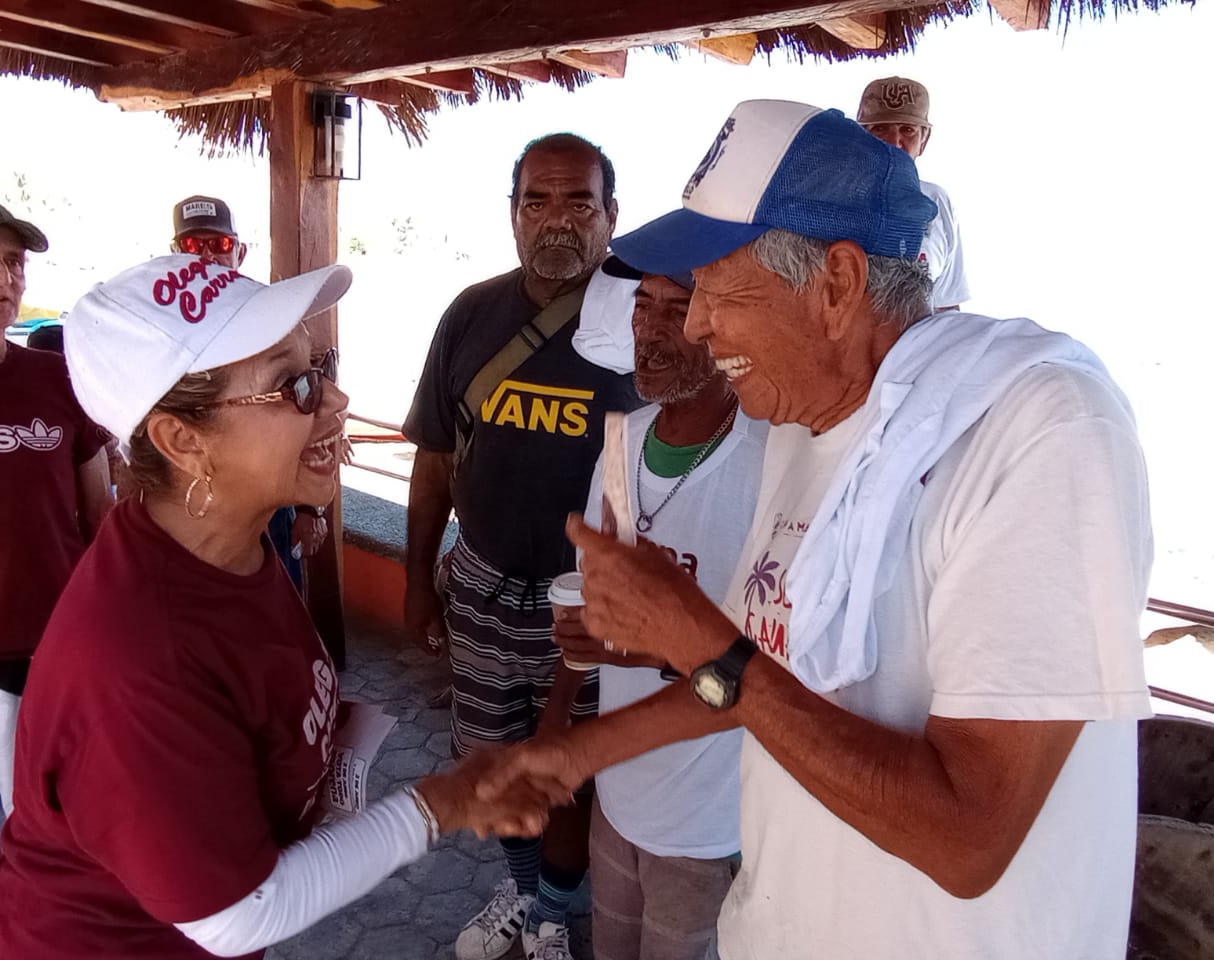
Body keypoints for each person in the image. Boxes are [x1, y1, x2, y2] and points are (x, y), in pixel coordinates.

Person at [479, 100, 1154, 959]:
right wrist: (578, 755)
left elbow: (968, 838)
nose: (692, 324)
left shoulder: (1041, 433)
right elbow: (763, 678)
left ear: (835, 284)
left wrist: (701, 641)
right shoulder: (805, 429)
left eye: (719, 287)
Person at [0, 255, 565, 959]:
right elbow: (237, 914)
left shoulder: (228, 544)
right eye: (295, 385)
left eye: (323, 365)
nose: (336, 401)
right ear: (182, 441)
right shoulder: (138, 657)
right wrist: (444, 801)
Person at [403, 134, 641, 960]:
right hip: (478, 582)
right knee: (492, 753)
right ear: (512, 214)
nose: (558, 220)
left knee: (566, 767)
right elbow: (433, 461)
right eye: (537, 200)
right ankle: (525, 887)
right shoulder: (470, 314)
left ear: (612, 216)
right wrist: (415, 584)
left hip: (583, 599)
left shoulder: (641, 322)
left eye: (580, 201)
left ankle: (551, 914)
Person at [544, 259, 766, 960]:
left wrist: (645, 645)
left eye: (678, 310)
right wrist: (561, 711)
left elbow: (767, 659)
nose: (652, 332)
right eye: (644, 307)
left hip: (707, 817)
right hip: (618, 791)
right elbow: (592, 597)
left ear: (719, 326)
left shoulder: (764, 461)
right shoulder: (619, 442)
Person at [0, 190, 111, 825]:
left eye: (14, 260)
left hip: (52, 657)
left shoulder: (56, 380)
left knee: (46, 840)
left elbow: (100, 518)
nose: (2, 275)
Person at [171, 195, 329, 587]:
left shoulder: (272, 318)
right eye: (193, 245)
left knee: (277, 608)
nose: (206, 256)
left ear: (239, 251)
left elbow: (307, 406)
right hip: (192, 502)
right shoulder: (162, 329)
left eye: (219, 245)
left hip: (270, 501)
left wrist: (310, 508)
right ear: (176, 252)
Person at [857, 76, 971, 311]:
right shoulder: (830, 196)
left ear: (924, 140)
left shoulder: (937, 202)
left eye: (907, 130)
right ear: (860, 138)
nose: (894, 142)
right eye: (880, 129)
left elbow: (946, 305)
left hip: (919, 347)